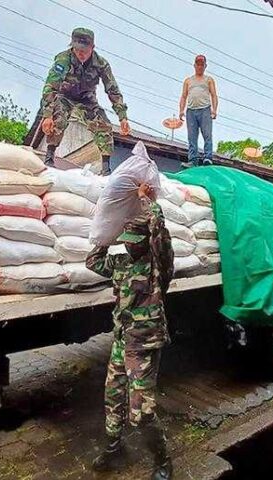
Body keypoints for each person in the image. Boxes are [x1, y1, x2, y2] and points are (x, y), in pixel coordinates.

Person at [86, 184, 175, 480]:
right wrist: (107, 234)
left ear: (146, 240)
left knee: (142, 412)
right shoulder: (121, 263)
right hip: (122, 340)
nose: (130, 247)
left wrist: (145, 200)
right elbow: (93, 261)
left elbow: (160, 231)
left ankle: (162, 459)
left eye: (135, 242)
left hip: (144, 345)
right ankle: (114, 448)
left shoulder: (158, 265)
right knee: (112, 397)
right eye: (126, 242)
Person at [41, 28, 130, 176]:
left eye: (84, 50)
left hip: (87, 99)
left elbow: (112, 89)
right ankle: (49, 158)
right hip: (64, 96)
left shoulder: (101, 64)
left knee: (104, 125)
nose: (80, 53)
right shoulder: (63, 59)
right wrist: (47, 115)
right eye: (77, 49)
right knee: (58, 118)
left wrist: (122, 117)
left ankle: (106, 169)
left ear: (92, 48)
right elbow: (51, 86)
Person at [179, 54, 218, 168]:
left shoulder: (209, 80)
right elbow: (184, 96)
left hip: (205, 109)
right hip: (191, 111)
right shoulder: (188, 81)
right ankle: (192, 160)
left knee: (207, 134)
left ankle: (208, 157)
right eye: (198, 64)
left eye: (202, 64)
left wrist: (214, 110)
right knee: (192, 137)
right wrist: (181, 110)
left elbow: (214, 95)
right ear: (194, 65)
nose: (200, 66)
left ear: (205, 66)